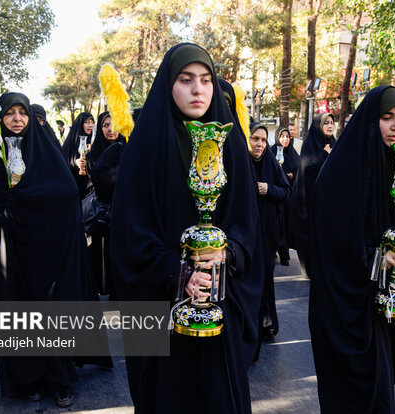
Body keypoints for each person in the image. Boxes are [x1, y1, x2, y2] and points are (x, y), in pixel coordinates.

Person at [109, 43, 263, 413]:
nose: (198, 90)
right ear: (168, 84)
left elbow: (246, 221)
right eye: (186, 80)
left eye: (207, 80)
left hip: (221, 298)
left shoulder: (232, 146)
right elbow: (130, 230)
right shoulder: (145, 146)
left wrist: (226, 252)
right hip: (163, 309)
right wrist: (178, 272)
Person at [0, 92, 111, 407]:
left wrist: (31, 204)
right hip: (11, 251)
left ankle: (59, 379)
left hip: (48, 248)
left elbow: (66, 191)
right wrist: (0, 214)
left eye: (22, 113)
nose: (17, 119)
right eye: (10, 113)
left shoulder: (43, 149)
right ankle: (29, 378)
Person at [308, 86, 395, 413]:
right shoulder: (340, 173)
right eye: (387, 117)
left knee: (380, 391)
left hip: (389, 300)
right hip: (347, 306)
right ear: (369, 120)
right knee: (354, 395)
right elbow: (329, 244)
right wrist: (379, 256)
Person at [248, 122, 290, 358]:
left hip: (267, 234)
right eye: (255, 139)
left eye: (263, 140)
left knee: (264, 276)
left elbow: (285, 191)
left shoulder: (271, 164)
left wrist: (266, 189)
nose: (259, 144)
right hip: (246, 235)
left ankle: (264, 322)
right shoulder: (241, 162)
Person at [289, 112, 336, 277]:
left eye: (331, 122)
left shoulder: (335, 144)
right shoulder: (310, 145)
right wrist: (326, 156)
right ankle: (310, 269)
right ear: (318, 126)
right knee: (309, 236)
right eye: (326, 123)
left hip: (328, 203)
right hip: (308, 202)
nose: (330, 126)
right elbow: (308, 168)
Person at [86, 111, 126, 296]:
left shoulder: (128, 148)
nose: (110, 130)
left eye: (114, 124)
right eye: (105, 125)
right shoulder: (93, 153)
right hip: (101, 216)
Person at [270, 125, 299, 265]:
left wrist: (293, 175)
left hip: (289, 197)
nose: (285, 139)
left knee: (286, 226)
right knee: (276, 226)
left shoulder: (293, 154)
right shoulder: (271, 152)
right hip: (275, 196)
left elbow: (300, 170)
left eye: (287, 137)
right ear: (277, 137)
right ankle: (274, 249)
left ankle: (285, 254)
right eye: (282, 136)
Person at [61, 112, 95, 199]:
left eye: (92, 122)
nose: (90, 125)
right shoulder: (72, 141)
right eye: (87, 122)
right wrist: (76, 162)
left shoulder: (92, 141)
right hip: (73, 184)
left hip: (88, 186)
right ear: (80, 124)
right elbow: (64, 160)